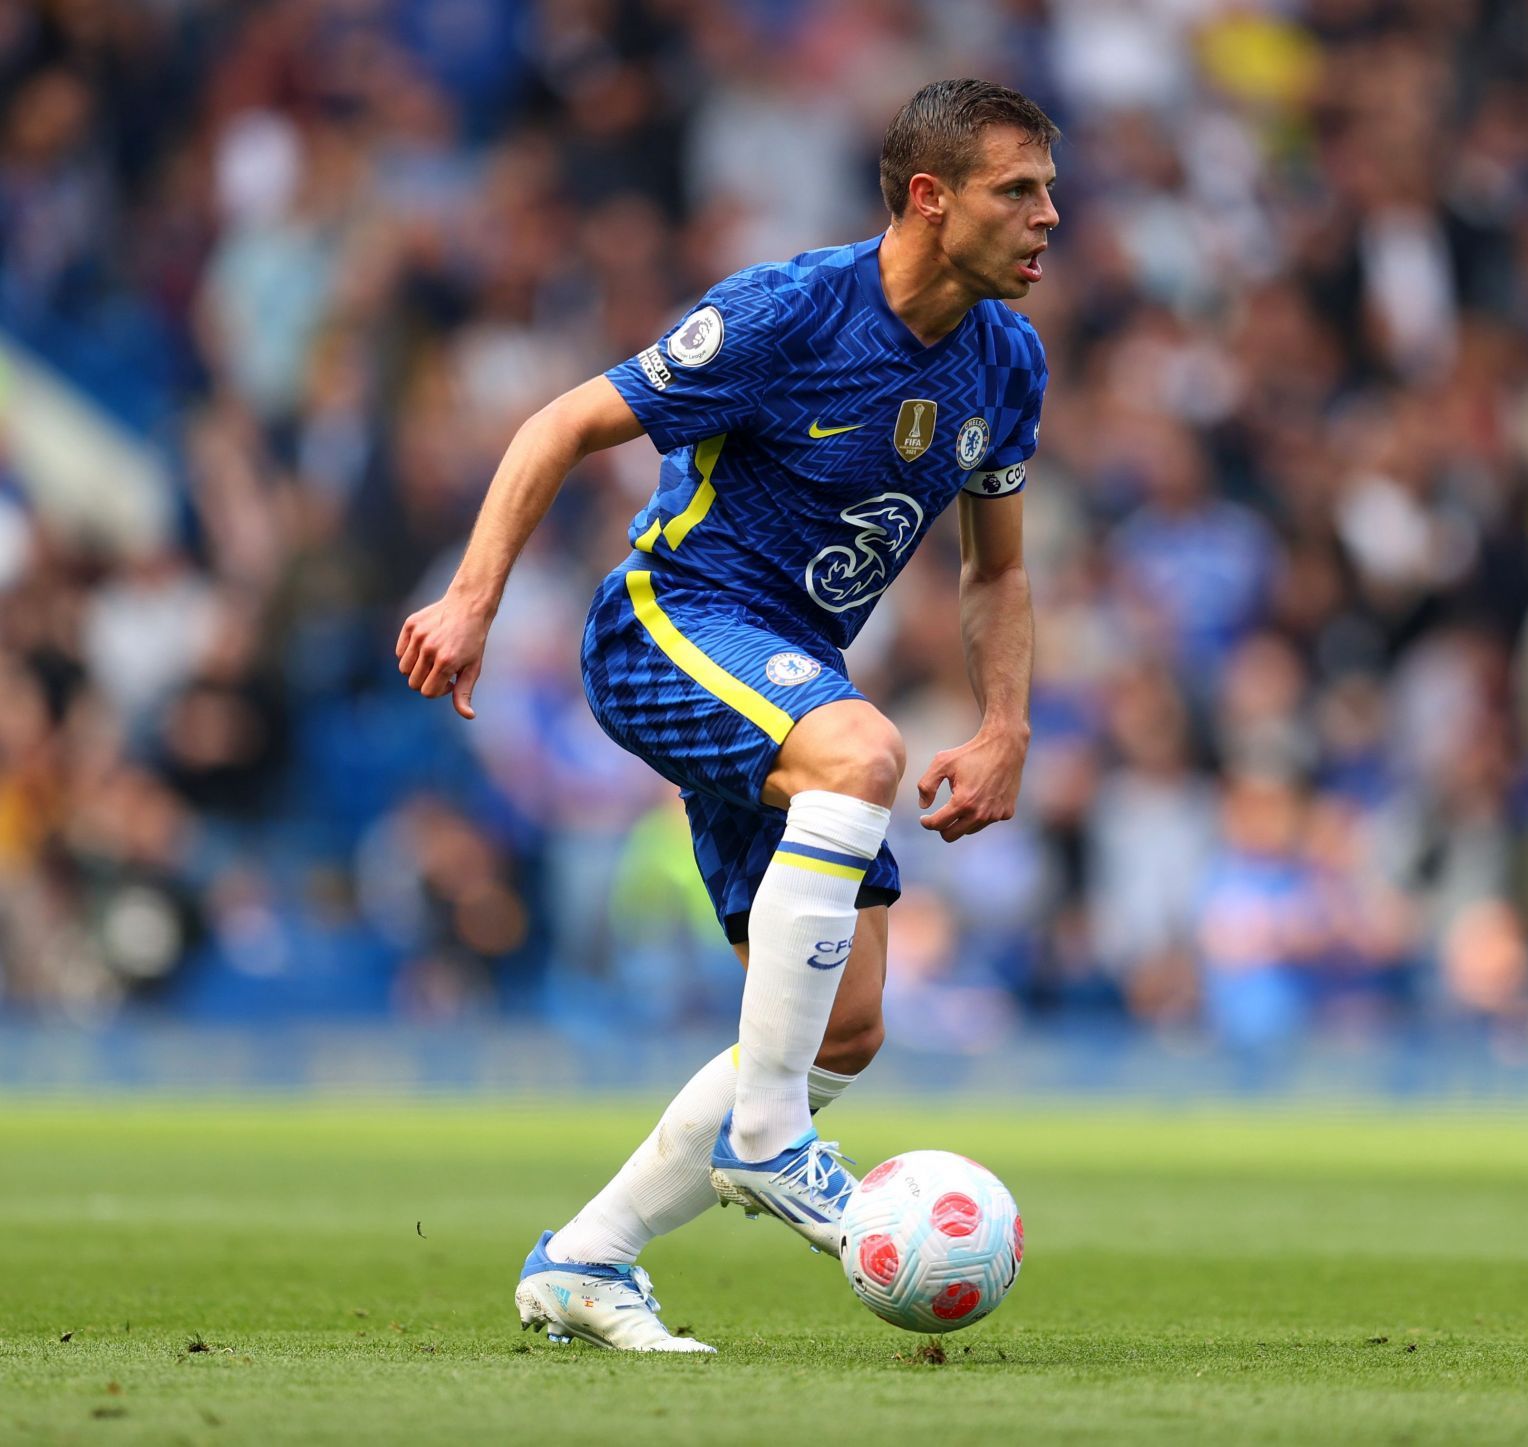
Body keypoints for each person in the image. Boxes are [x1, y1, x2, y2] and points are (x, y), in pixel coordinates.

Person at [394, 79, 1058, 1354]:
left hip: (785, 673)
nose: (1049, 217)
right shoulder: (791, 310)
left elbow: (998, 568)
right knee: (862, 751)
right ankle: (768, 1145)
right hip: (665, 623)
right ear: (929, 198)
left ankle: (587, 1259)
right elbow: (562, 423)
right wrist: (473, 599)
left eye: (1045, 189)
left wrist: (1008, 723)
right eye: (1016, 191)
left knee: (839, 1030)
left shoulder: (1006, 362)